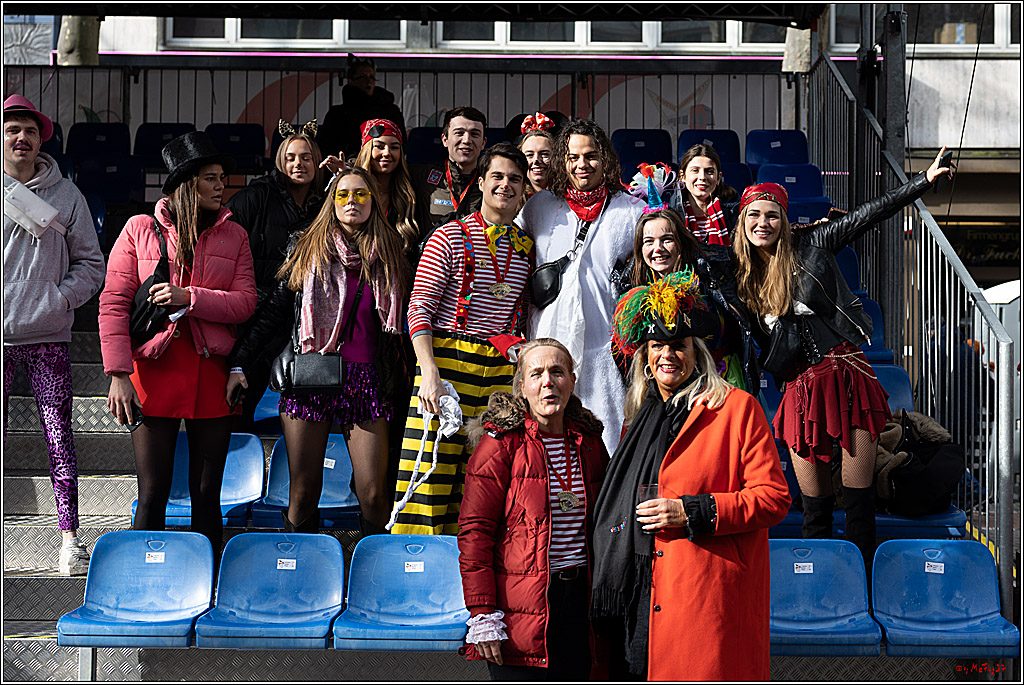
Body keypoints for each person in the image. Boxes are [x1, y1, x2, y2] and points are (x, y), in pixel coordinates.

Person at [731, 148, 954, 575]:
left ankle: (862, 594)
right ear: (743, 221)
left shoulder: (812, 244)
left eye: (772, 215)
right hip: (800, 391)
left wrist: (922, 181)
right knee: (815, 515)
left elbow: (868, 215)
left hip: (847, 376)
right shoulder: (738, 274)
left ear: (784, 218)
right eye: (754, 215)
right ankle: (824, 597)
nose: (763, 223)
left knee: (858, 509)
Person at [591, 271, 790, 680]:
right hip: (638, 590)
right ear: (645, 357)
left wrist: (692, 512)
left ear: (697, 353)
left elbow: (773, 498)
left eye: (678, 346)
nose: (667, 355)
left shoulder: (737, 409)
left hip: (702, 589)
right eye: (657, 346)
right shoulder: (639, 419)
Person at [99, 131, 256, 558]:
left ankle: (206, 588)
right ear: (187, 184)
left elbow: (245, 304)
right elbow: (113, 302)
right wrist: (117, 375)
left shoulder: (235, 235)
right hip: (153, 367)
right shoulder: (138, 229)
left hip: (212, 373)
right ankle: (142, 583)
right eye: (211, 177)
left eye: (223, 177)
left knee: (207, 494)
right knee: (152, 492)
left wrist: (191, 297)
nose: (221, 185)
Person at [227, 167, 408, 535]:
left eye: (361, 194)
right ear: (331, 201)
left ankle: (368, 570)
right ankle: (301, 569)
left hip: (367, 380)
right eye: (342, 195)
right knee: (304, 489)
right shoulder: (306, 246)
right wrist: (240, 362)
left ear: (374, 200)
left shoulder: (392, 252)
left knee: (374, 493)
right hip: (311, 374)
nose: (352, 202)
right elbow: (273, 312)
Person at [390, 143, 533, 536]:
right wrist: (429, 373)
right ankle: (415, 575)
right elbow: (418, 308)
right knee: (429, 473)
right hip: (447, 362)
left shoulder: (525, 249)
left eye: (515, 180)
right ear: (482, 183)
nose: (506, 186)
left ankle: (465, 580)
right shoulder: (448, 236)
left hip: (499, 372)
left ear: (524, 192)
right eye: (498, 177)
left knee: (481, 480)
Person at [458, 339, 608, 680]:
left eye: (557, 372)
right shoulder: (499, 445)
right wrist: (482, 612)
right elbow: (475, 533)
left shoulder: (590, 440)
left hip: (581, 601)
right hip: (520, 606)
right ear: (521, 386)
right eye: (536, 373)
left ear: (572, 380)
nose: (547, 382)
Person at [3, 94, 105, 576]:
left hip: (49, 335)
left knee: (59, 435)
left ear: (42, 138)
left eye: (29, 130)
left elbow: (92, 264)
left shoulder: (67, 196)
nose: (20, 138)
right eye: (11, 130)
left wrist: (59, 299)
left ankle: (70, 537)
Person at [518, 118, 643, 454]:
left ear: (605, 160)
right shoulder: (540, 206)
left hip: (602, 350)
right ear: (563, 161)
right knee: (544, 447)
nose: (582, 164)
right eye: (573, 157)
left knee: (606, 447)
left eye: (590, 156)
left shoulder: (631, 210)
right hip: (546, 345)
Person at [225, 119, 324, 430]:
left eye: (306, 157)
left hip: (298, 322)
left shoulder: (324, 204)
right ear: (280, 161)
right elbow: (222, 242)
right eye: (291, 157)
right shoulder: (256, 196)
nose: (299, 164)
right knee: (237, 406)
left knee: (303, 415)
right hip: (253, 319)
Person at [627, 206, 757, 392]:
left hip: (714, 384)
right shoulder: (633, 293)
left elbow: (719, 337)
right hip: (659, 389)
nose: (658, 249)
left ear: (680, 243)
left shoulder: (707, 281)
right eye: (649, 242)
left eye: (667, 240)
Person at [409, 106, 487, 229]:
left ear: (483, 143)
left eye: (474, 134)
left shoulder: (492, 182)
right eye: (459, 133)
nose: (467, 140)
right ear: (445, 139)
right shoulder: (421, 176)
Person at [318, 53, 406, 161]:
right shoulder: (337, 114)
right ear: (351, 80)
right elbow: (328, 147)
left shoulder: (390, 111)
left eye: (372, 77)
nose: (368, 81)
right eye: (362, 77)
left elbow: (401, 145)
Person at [670, 143, 739, 247]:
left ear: (718, 178)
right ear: (682, 176)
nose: (702, 177)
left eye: (709, 171)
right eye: (695, 170)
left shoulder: (734, 210)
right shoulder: (671, 213)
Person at [513, 112, 556, 211]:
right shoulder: (511, 197)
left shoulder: (569, 197)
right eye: (529, 155)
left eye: (544, 154)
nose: (536, 160)